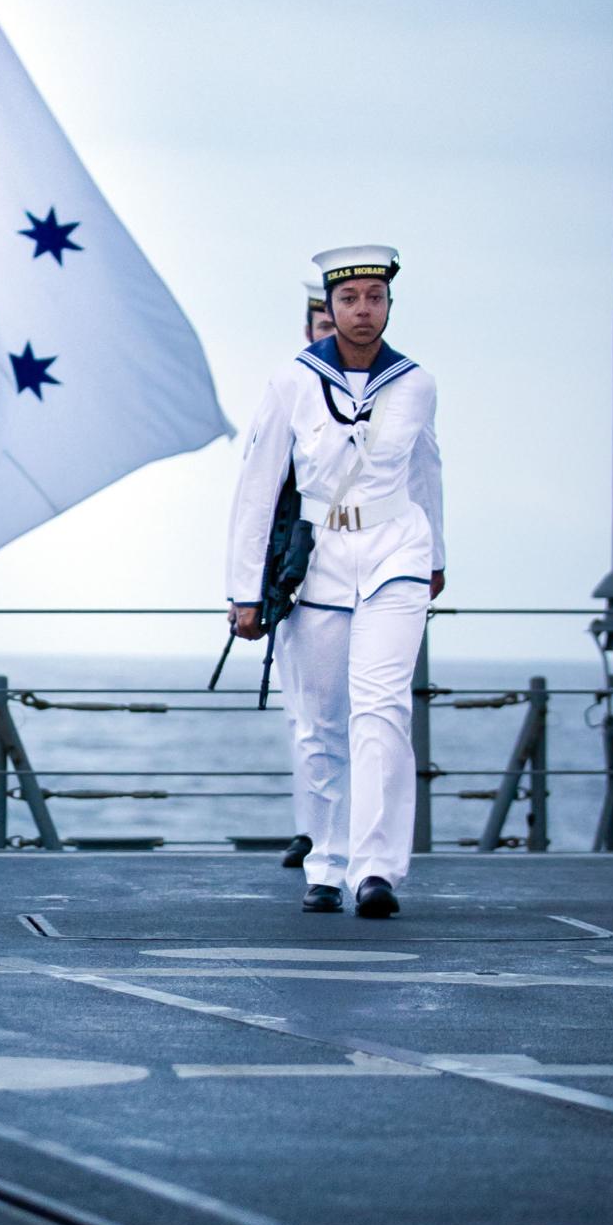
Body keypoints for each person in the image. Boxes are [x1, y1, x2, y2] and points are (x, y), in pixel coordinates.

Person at [226, 243, 444, 919]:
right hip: (320, 557)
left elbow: (427, 468)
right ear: (331, 306)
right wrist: (242, 589)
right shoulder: (293, 380)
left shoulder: (416, 383)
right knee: (321, 723)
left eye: (374, 298)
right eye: (349, 300)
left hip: (395, 553)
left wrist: (437, 557)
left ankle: (376, 869)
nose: (362, 311)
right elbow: (258, 485)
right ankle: (325, 860)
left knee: (383, 709)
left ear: (389, 305)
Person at [274, 274, 336, 870]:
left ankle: (342, 834)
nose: (331, 332)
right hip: (295, 569)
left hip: (356, 562)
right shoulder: (290, 390)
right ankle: (312, 829)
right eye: (321, 324)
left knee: (357, 712)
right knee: (305, 715)